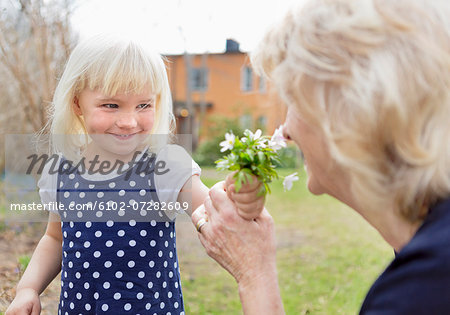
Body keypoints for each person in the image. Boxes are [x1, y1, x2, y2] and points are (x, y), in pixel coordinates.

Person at [191, 0, 450, 313]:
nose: (284, 130)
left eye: (293, 100)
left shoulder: (416, 295)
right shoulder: (429, 256)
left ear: (349, 112)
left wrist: (254, 273)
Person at [5, 35, 264, 314]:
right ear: (77, 104)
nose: (128, 121)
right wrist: (28, 288)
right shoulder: (60, 173)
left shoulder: (165, 167)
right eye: (111, 105)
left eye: (143, 105)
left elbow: (213, 212)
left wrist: (241, 198)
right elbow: (55, 238)